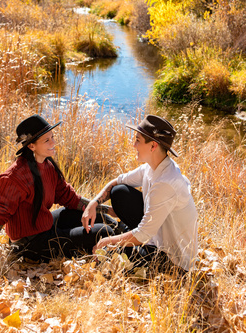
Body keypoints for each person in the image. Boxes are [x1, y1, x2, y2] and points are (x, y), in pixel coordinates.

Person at [0, 114, 115, 263]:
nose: (53, 142)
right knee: (104, 231)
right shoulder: (14, 177)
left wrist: (108, 210)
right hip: (31, 244)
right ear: (31, 146)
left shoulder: (47, 165)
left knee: (102, 218)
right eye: (47, 140)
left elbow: (69, 198)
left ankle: (130, 235)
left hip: (45, 224)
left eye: (52, 137)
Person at [82, 115, 198, 276]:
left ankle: (130, 245)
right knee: (119, 191)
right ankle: (128, 237)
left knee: (107, 254)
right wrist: (93, 203)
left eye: (138, 140)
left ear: (153, 146)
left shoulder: (166, 183)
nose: (133, 144)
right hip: (155, 235)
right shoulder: (151, 167)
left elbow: (143, 234)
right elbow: (117, 181)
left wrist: (109, 241)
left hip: (172, 260)